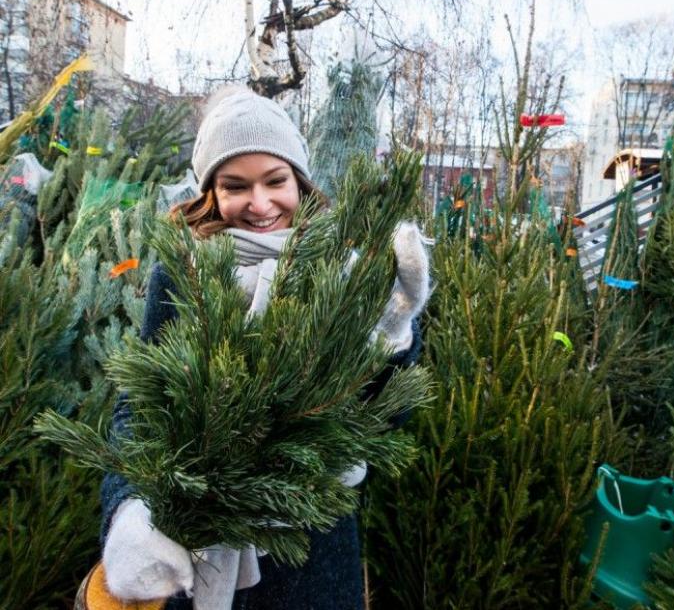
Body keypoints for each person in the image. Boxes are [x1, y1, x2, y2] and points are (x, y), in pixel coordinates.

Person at [97, 86, 430, 610]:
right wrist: (130, 510)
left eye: (275, 181)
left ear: (299, 179)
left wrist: (392, 335)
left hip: (311, 555)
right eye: (236, 186)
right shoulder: (183, 271)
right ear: (211, 191)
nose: (259, 204)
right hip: (198, 549)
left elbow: (386, 421)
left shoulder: (340, 272)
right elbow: (138, 407)